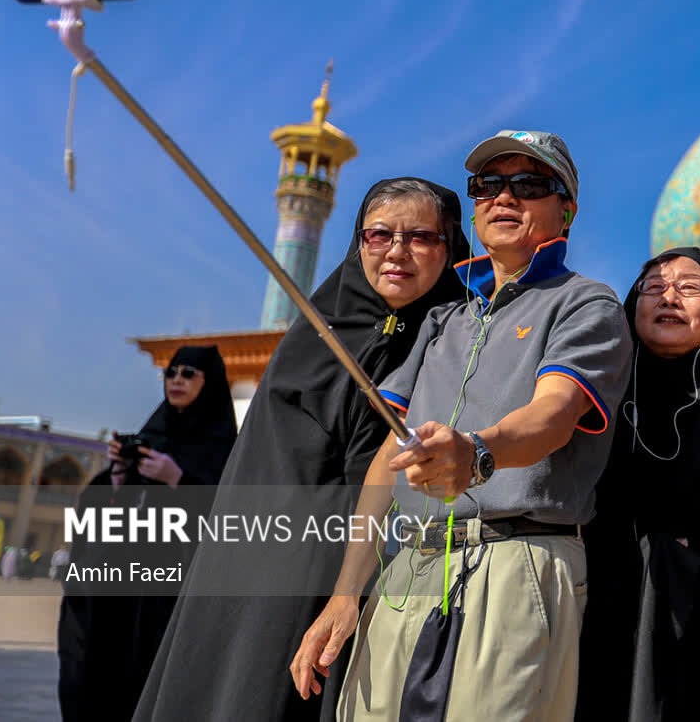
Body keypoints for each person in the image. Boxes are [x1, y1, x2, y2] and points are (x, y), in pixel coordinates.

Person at [291, 130, 632, 720]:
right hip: (410, 565)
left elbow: (553, 414)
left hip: (515, 558)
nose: (504, 198)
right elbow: (386, 461)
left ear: (566, 210)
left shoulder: (585, 304)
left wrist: (476, 453)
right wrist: (347, 593)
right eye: (487, 185)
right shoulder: (443, 321)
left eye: (529, 184)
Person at [134, 178, 470, 722]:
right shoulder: (317, 332)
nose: (397, 252)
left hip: (365, 569)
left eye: (421, 237)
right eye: (379, 234)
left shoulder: (454, 339)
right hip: (261, 557)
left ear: (451, 247)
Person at [578, 247, 700, 721]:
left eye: (689, 287)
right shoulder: (591, 391)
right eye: (653, 288)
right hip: (603, 610)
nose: (669, 298)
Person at [58, 344, 237, 722]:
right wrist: (118, 478)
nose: (176, 380)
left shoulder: (224, 449)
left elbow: (231, 520)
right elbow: (98, 514)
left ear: (210, 383)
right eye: (171, 373)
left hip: (169, 595)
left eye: (189, 374)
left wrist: (179, 481)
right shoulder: (153, 436)